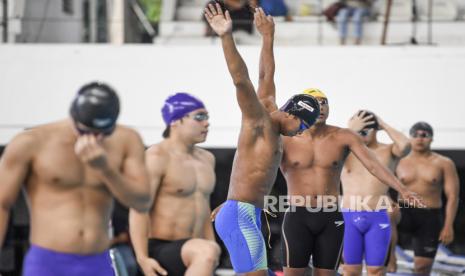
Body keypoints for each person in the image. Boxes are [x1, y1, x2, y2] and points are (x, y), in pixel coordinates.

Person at [204, 5, 320, 275]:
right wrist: (225, 36)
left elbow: (265, 75)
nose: (301, 132)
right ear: (291, 113)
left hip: (246, 213)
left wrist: (268, 37)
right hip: (240, 215)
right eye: (303, 124)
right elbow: (241, 80)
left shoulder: (270, 106)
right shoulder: (259, 121)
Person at [0, 82, 152, 276]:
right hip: (48, 262)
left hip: (97, 262)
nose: (93, 138)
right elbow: (2, 203)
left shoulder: (127, 140)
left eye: (102, 133)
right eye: (85, 130)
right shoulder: (32, 142)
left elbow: (142, 202)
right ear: (73, 117)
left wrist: (106, 169)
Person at [280, 89, 423, 276]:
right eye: (315, 102)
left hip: (331, 217)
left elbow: (373, 165)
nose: (321, 107)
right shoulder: (285, 139)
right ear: (302, 107)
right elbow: (257, 154)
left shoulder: (344, 136)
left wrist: (402, 189)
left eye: (325, 102)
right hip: (297, 215)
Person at [129, 92, 221, 276]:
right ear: (175, 121)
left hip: (195, 252)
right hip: (159, 249)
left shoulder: (207, 159)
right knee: (206, 251)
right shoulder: (156, 157)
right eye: (200, 117)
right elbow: (139, 210)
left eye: (207, 117)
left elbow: (203, 210)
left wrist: (213, 250)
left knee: (209, 250)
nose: (207, 123)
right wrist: (142, 259)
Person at [341, 110, 411, 276]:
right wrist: (350, 130)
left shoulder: (387, 151)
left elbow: (406, 146)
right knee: (350, 271)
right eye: (358, 129)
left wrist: (384, 125)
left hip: (377, 216)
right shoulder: (345, 151)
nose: (361, 134)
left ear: (375, 130)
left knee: (377, 271)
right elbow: (328, 146)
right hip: (349, 216)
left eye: (365, 130)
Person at [396, 122, 460, 275]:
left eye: (424, 135)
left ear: (431, 138)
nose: (420, 139)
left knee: (423, 267)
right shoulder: (398, 160)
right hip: (402, 213)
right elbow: (381, 186)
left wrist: (448, 225)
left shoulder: (444, 163)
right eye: (415, 135)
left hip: (429, 216)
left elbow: (453, 196)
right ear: (409, 138)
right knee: (384, 261)